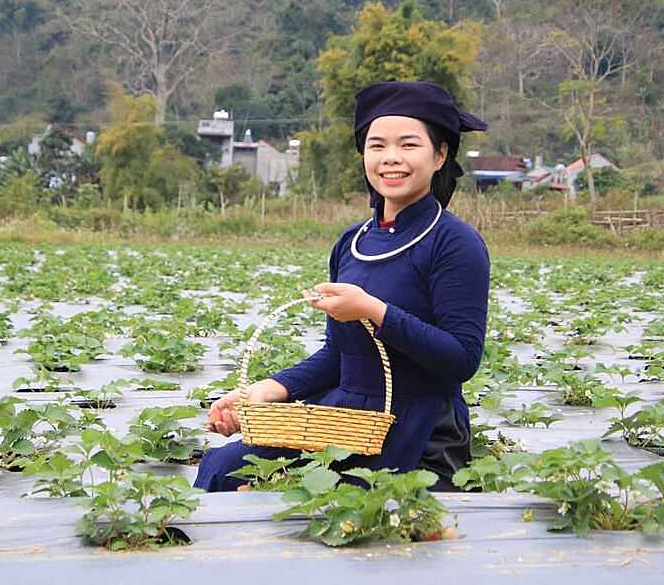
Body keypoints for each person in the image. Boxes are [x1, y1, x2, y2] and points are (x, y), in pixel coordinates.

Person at [194, 80, 490, 492]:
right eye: (377, 145)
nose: (391, 159)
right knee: (224, 468)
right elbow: (340, 354)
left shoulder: (454, 242)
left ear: (440, 155)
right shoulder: (352, 243)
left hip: (420, 429)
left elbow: (463, 359)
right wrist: (266, 390)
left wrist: (375, 311)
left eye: (408, 145)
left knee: (340, 499)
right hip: (346, 415)